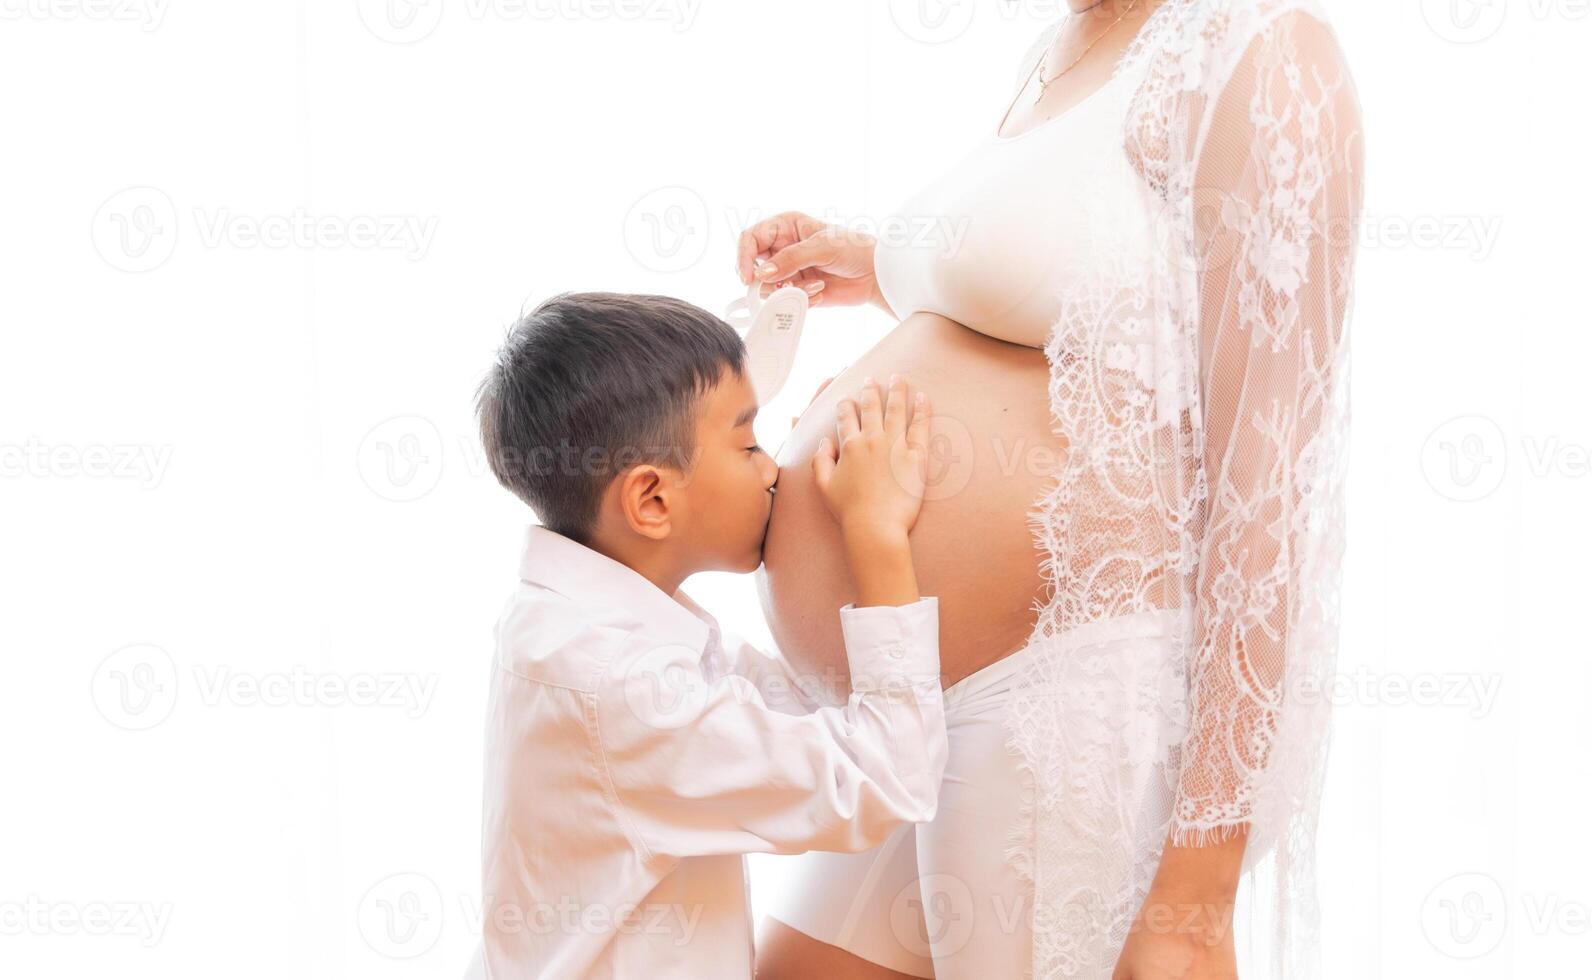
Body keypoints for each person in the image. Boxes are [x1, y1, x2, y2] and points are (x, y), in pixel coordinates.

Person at [739, 1, 1366, 977]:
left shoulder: (1259, 47)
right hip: (921, 702)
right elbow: (1080, 283)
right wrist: (876, 259)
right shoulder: (1064, 49)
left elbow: (1271, 485)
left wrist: (1195, 895)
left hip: (1072, 688)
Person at [468, 290, 948, 978]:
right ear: (653, 500)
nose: (773, 468)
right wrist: (877, 534)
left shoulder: (586, 624)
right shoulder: (620, 685)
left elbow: (807, 715)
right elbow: (886, 778)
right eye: (748, 443)